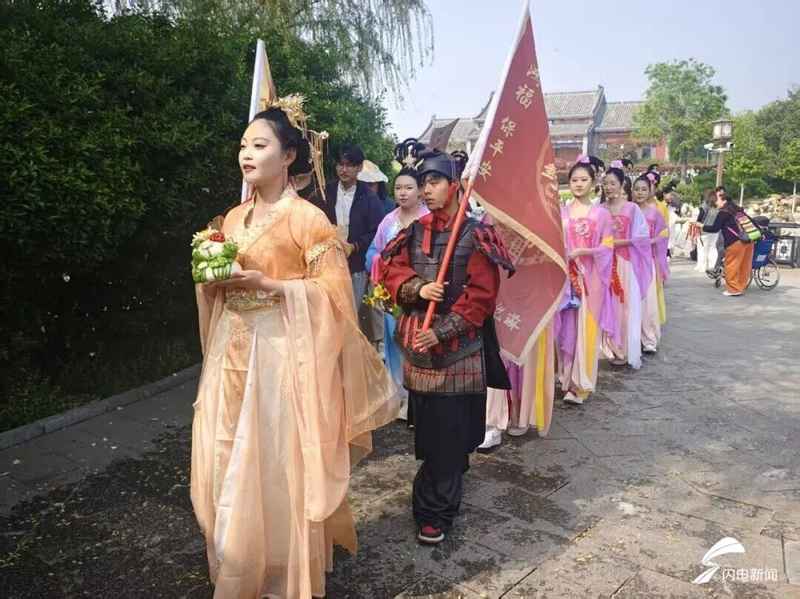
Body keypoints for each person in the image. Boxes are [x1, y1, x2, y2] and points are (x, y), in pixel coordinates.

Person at [191, 103, 398, 599]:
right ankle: (239, 556)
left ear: (288, 156)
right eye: (243, 145)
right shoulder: (232, 218)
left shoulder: (308, 220)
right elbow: (213, 285)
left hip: (279, 353)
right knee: (224, 452)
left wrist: (272, 286)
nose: (246, 154)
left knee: (270, 457)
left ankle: (280, 563)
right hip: (229, 350)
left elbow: (333, 298)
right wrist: (210, 278)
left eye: (259, 145)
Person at [376, 148, 513, 545]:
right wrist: (418, 288)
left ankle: (435, 511)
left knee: (451, 436)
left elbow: (481, 297)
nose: (427, 190)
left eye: (434, 182)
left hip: (460, 351)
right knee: (431, 435)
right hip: (420, 352)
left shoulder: (475, 233)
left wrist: (442, 331)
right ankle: (437, 494)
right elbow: (389, 271)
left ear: (455, 185)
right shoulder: (414, 231)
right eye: (423, 183)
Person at [365, 140, 429, 419]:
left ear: (420, 191)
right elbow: (372, 252)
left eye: (408, 188)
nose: (402, 192)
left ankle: (421, 397)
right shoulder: (388, 221)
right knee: (394, 342)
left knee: (419, 343)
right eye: (398, 188)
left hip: (422, 294)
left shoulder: (429, 219)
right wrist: (380, 264)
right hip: (393, 295)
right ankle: (400, 395)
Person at [554, 156, 614, 405]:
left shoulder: (602, 214)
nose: (578, 184)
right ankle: (566, 378)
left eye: (584, 180)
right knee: (566, 330)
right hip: (564, 279)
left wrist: (584, 252)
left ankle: (581, 384)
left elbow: (607, 247)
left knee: (586, 330)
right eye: (574, 180)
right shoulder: (560, 212)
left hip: (590, 280)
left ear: (593, 182)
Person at [311, 144, 386, 319]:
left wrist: (355, 246)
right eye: (340, 164)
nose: (344, 170)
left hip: (355, 266)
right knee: (326, 314)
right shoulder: (324, 193)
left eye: (350, 165)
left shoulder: (369, 198)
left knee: (350, 315)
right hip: (326, 265)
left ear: (359, 167)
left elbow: (377, 231)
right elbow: (312, 222)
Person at [600, 167, 653, 369]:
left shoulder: (632, 209)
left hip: (624, 264)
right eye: (605, 183)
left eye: (612, 183)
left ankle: (622, 348)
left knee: (623, 307)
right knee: (605, 305)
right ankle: (608, 347)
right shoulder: (600, 209)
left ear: (622, 185)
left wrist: (615, 243)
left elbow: (641, 238)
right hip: (603, 263)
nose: (608, 187)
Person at [632, 174, 669, 353]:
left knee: (648, 302)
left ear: (650, 191)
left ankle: (649, 339)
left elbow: (663, 234)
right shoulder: (628, 210)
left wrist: (651, 241)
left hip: (648, 261)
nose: (640, 193)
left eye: (644, 189)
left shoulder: (654, 212)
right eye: (636, 189)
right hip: (629, 261)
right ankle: (631, 338)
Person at [702, 191, 756, 296]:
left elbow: (714, 228)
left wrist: (701, 226)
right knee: (744, 266)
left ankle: (733, 290)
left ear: (724, 200)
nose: (715, 203)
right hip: (749, 240)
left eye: (717, 200)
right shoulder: (738, 209)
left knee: (731, 266)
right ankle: (740, 287)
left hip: (735, 242)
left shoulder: (723, 212)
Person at [695, 189, 719, 273]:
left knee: (702, 248)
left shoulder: (704, 205)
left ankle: (702, 266)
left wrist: (697, 223)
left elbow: (700, 218)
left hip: (704, 230)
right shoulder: (717, 206)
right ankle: (712, 266)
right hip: (715, 231)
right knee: (712, 248)